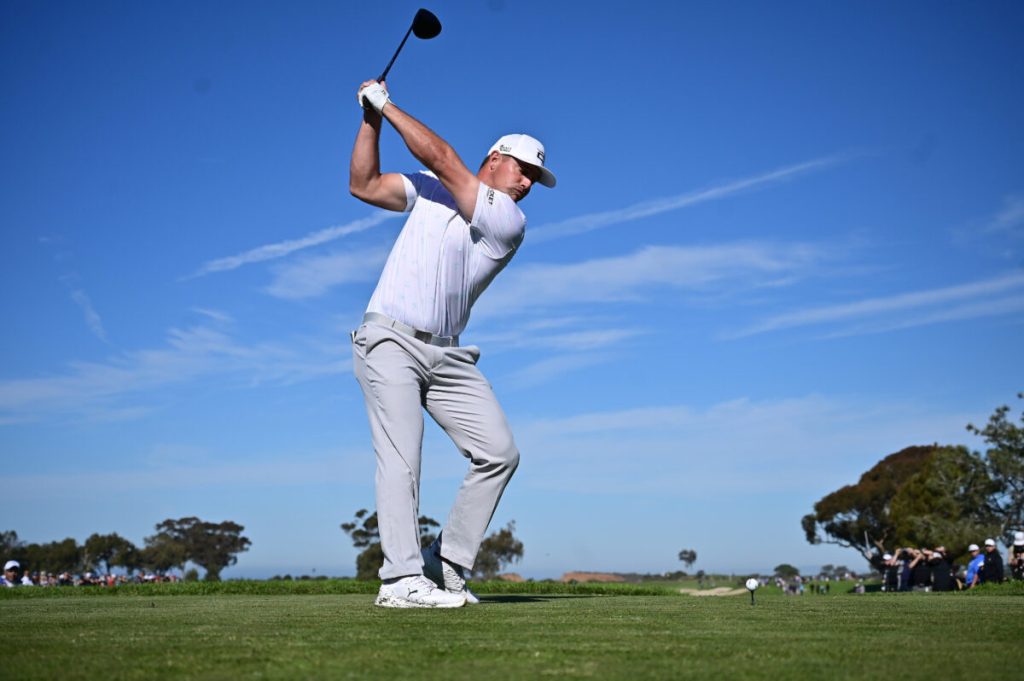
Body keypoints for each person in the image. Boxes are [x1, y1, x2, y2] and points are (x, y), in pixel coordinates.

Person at [348, 80, 556, 608]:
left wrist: (385, 104)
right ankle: (400, 579)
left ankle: (447, 560)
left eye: (534, 178)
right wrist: (370, 120)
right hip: (389, 339)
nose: (527, 184)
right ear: (496, 158)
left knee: (499, 453)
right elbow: (363, 185)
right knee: (402, 456)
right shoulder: (427, 189)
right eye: (523, 170)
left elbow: (442, 158)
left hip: (449, 356)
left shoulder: (508, 221)